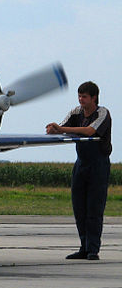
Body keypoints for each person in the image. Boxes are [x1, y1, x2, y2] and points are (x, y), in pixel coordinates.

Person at [46, 81, 112, 260]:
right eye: (79, 96)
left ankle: (93, 249)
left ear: (94, 98)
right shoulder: (76, 112)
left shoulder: (102, 113)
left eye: (84, 97)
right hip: (81, 164)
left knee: (94, 208)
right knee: (79, 207)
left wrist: (62, 129)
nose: (81, 100)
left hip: (98, 165)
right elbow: (60, 128)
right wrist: (53, 129)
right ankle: (83, 247)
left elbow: (90, 131)